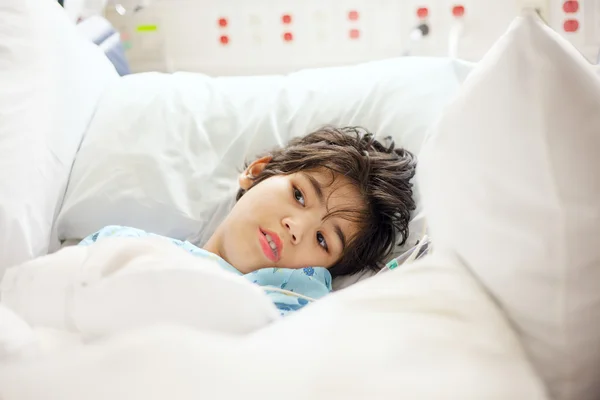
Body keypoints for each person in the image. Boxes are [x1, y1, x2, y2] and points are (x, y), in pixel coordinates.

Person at [79, 126, 417, 314]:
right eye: (299, 195)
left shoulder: (303, 309)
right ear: (255, 173)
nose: (297, 228)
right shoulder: (121, 245)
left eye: (323, 240)